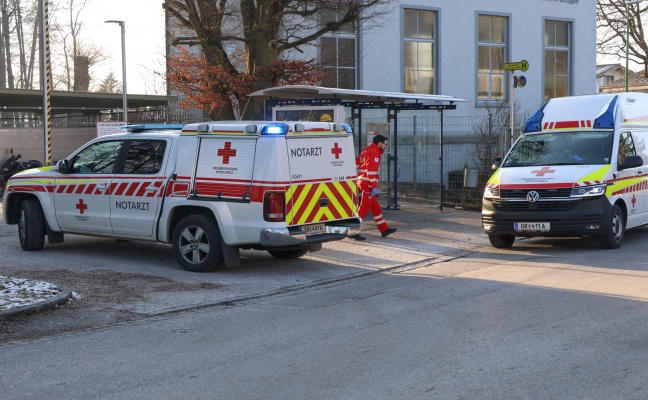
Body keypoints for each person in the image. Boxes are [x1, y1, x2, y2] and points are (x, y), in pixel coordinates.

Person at [349, 134, 397, 240]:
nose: (385, 146)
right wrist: (374, 186)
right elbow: (371, 171)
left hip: (363, 182)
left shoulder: (366, 150)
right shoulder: (374, 153)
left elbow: (357, 164)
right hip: (368, 184)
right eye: (385, 144)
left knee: (376, 208)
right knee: (364, 208)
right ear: (379, 144)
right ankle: (352, 231)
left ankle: (384, 229)